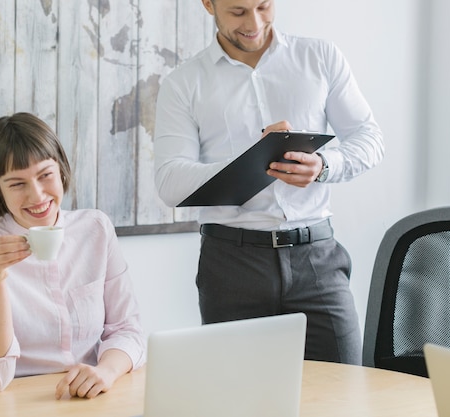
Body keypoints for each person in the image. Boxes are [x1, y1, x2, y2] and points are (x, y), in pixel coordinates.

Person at [153, 0, 384, 365]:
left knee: (344, 393)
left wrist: (324, 164)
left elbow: (369, 139)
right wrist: (253, 159)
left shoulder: (321, 57)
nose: (255, 23)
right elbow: (169, 181)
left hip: (317, 260)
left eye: (263, 6)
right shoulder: (183, 83)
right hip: (232, 265)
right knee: (239, 398)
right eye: (238, 11)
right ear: (208, 4)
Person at [0, 112, 146, 398]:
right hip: (7, 398)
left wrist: (105, 371)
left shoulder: (95, 228)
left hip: (86, 394)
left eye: (46, 175)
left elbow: (127, 329)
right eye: (17, 184)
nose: (37, 195)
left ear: (62, 171)